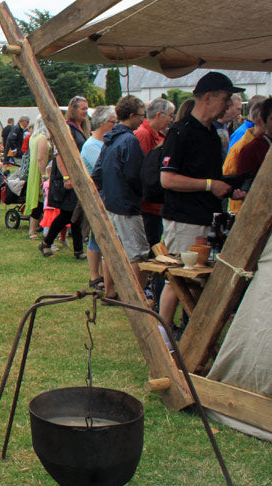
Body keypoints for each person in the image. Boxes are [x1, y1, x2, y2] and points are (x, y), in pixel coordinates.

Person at [158, 71, 245, 328]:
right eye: (226, 99)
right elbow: (167, 180)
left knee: (196, 280)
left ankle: (191, 331)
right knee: (178, 280)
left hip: (205, 216)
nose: (228, 105)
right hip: (184, 219)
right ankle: (162, 337)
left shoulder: (209, 133)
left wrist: (228, 188)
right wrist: (210, 185)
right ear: (208, 97)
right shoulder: (180, 132)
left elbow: (209, 177)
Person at [92, 95, 150, 300]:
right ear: (132, 115)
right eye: (142, 116)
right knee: (138, 253)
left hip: (111, 202)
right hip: (126, 204)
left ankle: (110, 290)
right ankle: (137, 297)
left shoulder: (110, 139)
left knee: (113, 251)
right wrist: (141, 192)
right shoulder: (129, 140)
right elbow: (135, 175)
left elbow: (97, 173)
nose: (143, 120)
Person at [39, 95, 90, 259]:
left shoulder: (81, 127)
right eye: (83, 108)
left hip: (76, 176)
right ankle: (46, 243)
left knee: (76, 213)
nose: (85, 112)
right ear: (73, 109)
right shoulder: (67, 128)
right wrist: (67, 177)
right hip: (65, 176)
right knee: (67, 213)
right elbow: (59, 154)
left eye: (86, 109)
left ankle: (78, 250)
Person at [80, 105, 116, 290]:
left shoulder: (102, 144)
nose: (115, 125)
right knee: (97, 236)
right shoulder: (91, 146)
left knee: (101, 236)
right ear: (103, 123)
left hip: (104, 196)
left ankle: (103, 275)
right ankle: (95, 276)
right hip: (97, 197)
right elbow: (103, 170)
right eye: (113, 122)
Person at [134, 98, 176, 250]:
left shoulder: (157, 135)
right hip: (148, 204)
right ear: (159, 115)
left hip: (155, 204)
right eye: (170, 115)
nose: (172, 119)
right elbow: (144, 171)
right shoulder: (144, 134)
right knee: (149, 244)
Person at [24, 115, 50, 240]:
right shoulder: (43, 138)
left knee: (37, 200)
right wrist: (44, 175)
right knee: (39, 200)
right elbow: (41, 158)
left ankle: (33, 228)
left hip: (34, 170)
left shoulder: (33, 137)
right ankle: (32, 229)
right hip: (40, 171)